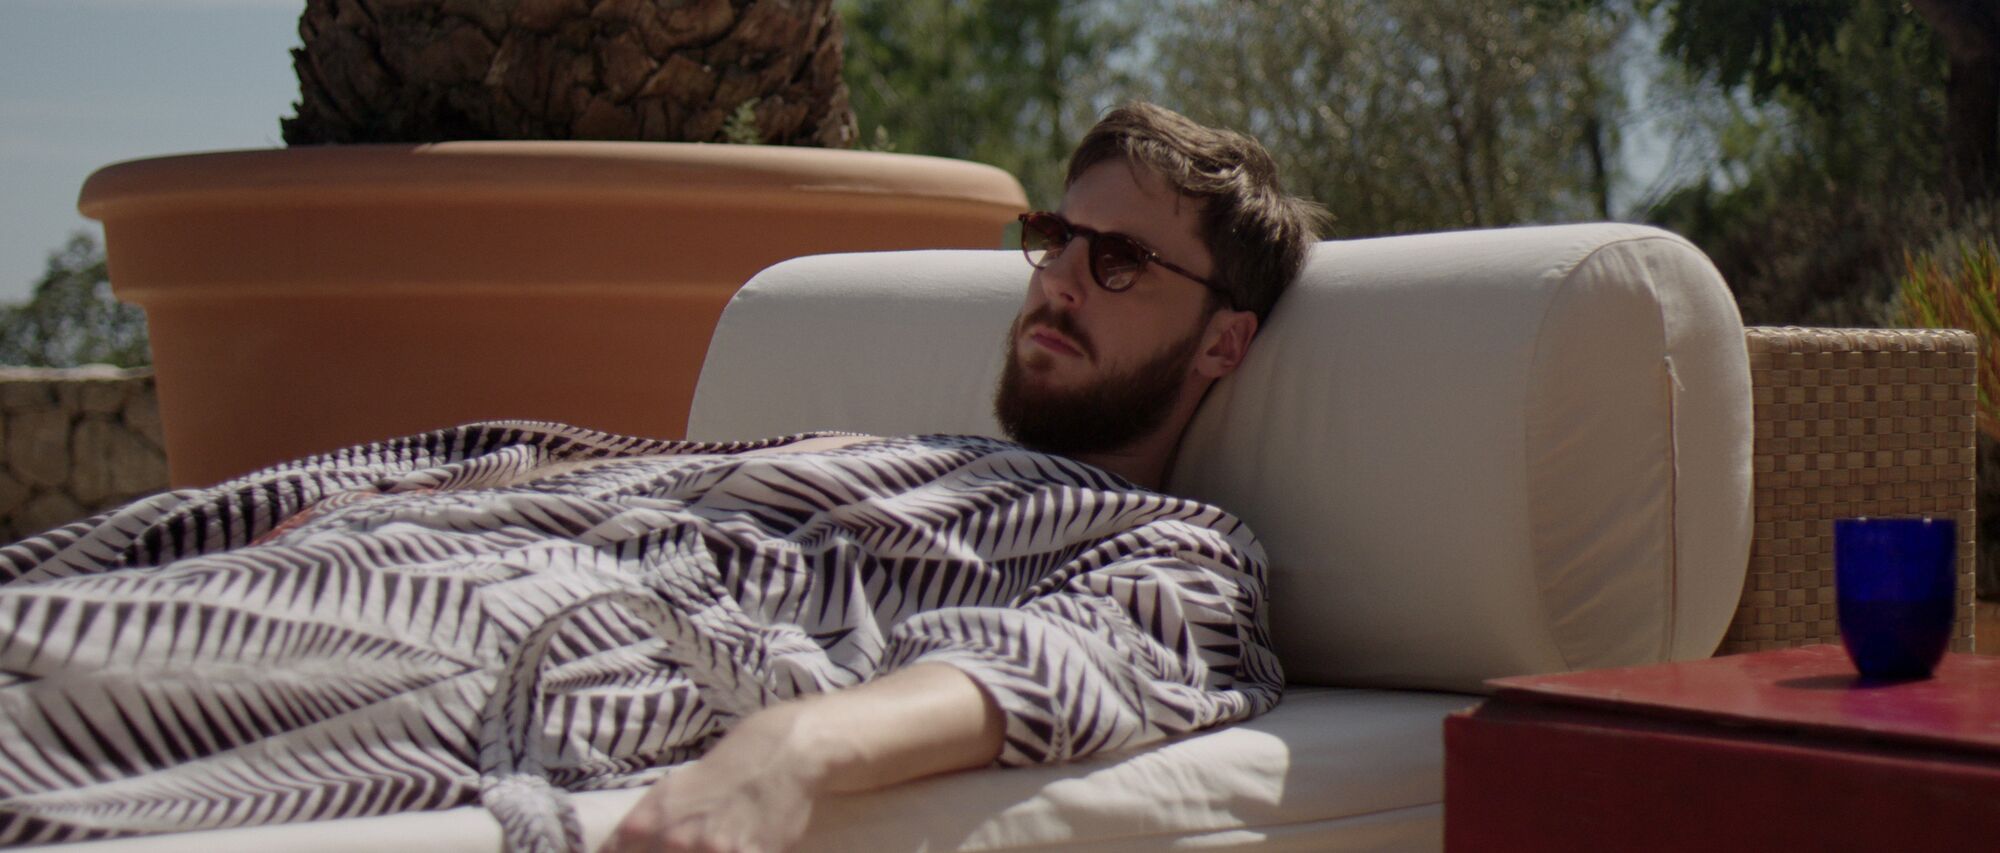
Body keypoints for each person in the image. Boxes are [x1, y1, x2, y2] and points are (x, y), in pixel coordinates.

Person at [0, 102, 1324, 853]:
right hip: (405, 547)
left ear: (1224, 341)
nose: (1060, 280)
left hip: (536, 637)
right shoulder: (902, 452)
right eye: (1055, 238)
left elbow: (1042, 669)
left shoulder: (1180, 547)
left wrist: (785, 752)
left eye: (1120, 261)